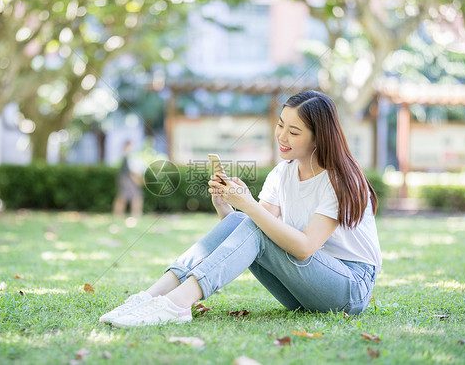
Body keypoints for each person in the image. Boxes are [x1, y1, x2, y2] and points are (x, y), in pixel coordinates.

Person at [100, 91, 381, 328]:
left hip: (349, 289)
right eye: (280, 125)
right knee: (244, 223)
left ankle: (178, 303)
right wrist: (226, 206)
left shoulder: (341, 179)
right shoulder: (282, 173)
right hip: (304, 289)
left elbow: (305, 247)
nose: (282, 136)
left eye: (293, 132)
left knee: (252, 223)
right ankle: (152, 296)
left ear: (319, 138)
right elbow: (250, 231)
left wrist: (246, 204)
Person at [112, 140, 145, 218]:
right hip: (127, 178)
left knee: (123, 196)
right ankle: (136, 214)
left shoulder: (128, 155)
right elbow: (133, 170)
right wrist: (137, 179)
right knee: (136, 196)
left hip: (125, 178)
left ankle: (118, 215)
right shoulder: (129, 156)